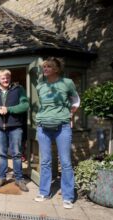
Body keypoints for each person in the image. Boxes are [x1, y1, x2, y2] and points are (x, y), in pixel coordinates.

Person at [33, 57, 80, 209]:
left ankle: (68, 196)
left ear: (56, 69)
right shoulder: (40, 86)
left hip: (62, 127)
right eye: (44, 67)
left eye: (48, 66)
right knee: (45, 161)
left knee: (65, 162)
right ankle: (44, 192)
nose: (44, 69)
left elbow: (76, 100)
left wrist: (71, 114)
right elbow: (43, 106)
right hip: (43, 127)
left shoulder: (67, 83)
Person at [0, 69, 30, 192]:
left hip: (15, 127)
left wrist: (8, 109)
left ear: (10, 78)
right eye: (2, 78)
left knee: (16, 154)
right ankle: (2, 177)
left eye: (7, 78)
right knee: (1, 154)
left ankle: (19, 179)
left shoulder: (18, 89)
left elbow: (25, 105)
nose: (5, 80)